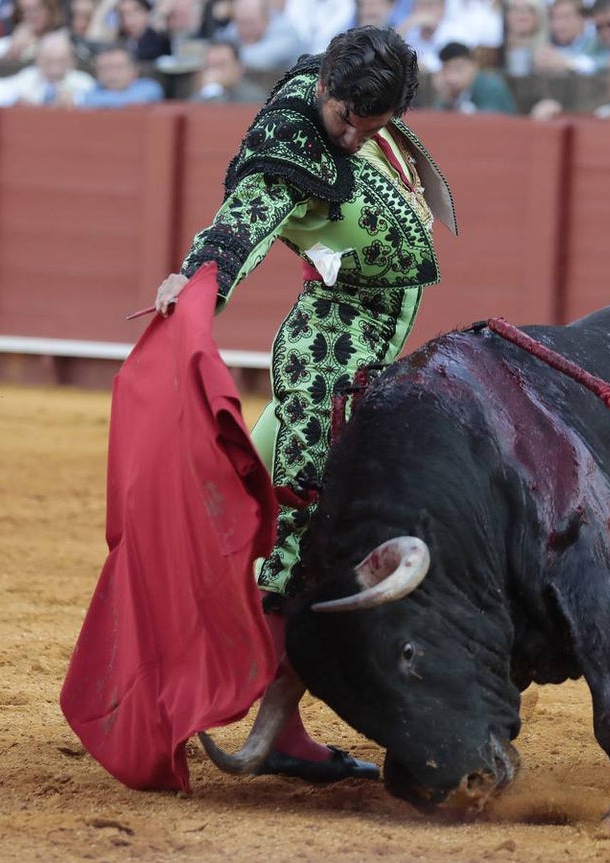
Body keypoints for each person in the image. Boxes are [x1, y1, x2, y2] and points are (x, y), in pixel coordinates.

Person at [150, 26, 456, 782]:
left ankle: (245, 704)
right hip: (338, 346)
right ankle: (264, 715)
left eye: (370, 126)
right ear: (323, 87)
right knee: (310, 522)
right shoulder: (292, 147)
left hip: (363, 332)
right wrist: (198, 281)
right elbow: (245, 217)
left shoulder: (346, 89)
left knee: (251, 503)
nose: (351, 136)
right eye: (344, 118)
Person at [432, 40, 517, 113]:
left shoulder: (490, 88)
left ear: (473, 67)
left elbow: (487, 123)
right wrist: (448, 99)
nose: (451, 76)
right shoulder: (449, 90)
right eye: (447, 69)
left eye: (458, 69)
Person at [75, 42, 164, 107]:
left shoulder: (148, 88)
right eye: (105, 68)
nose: (111, 74)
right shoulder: (91, 88)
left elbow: (132, 102)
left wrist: (84, 100)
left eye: (117, 67)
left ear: (134, 71)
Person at [191, 38, 268, 102]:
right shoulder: (202, 91)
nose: (214, 72)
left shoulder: (252, 97)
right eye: (210, 65)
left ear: (238, 68)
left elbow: (219, 117)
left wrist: (213, 89)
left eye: (221, 65)